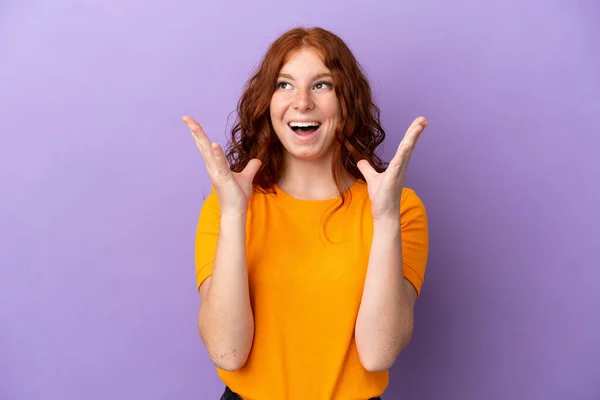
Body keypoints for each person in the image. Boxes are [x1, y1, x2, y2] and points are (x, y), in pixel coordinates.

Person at [183, 26, 429, 400]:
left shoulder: (400, 209)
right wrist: (234, 215)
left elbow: (378, 354)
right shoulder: (227, 205)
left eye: (321, 85)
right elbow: (226, 352)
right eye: (284, 85)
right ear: (267, 102)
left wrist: (385, 220)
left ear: (347, 100)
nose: (301, 102)